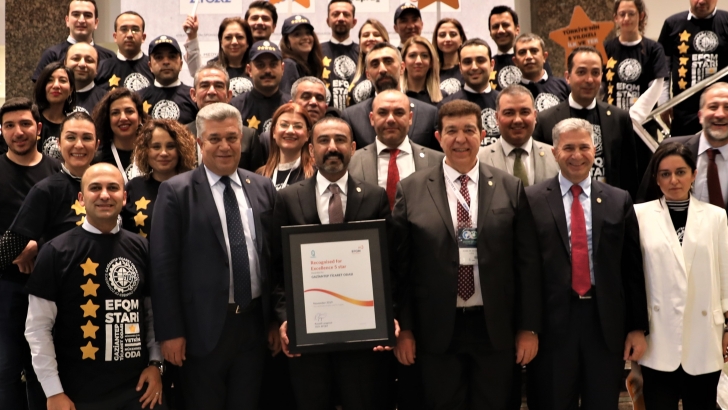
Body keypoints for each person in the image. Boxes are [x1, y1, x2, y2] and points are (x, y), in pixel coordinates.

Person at [391, 99, 541, 409]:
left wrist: (528, 327)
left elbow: (526, 265)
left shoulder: (509, 187)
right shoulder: (412, 189)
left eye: (469, 130)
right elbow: (400, 268)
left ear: (482, 135)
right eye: (451, 131)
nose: (460, 139)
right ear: (438, 137)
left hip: (494, 327)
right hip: (435, 329)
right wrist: (404, 329)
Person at [150, 103, 277, 409]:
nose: (224, 146)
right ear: (200, 142)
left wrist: (275, 319)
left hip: (254, 327)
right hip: (201, 331)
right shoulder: (176, 191)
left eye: (232, 138)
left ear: (241, 139)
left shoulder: (262, 187)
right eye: (215, 138)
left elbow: (274, 259)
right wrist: (170, 332)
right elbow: (163, 268)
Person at [525, 118, 648, 410]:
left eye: (583, 147)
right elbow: (526, 269)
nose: (577, 155)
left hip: (604, 325)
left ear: (595, 150)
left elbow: (632, 269)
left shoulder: (619, 200)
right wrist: (527, 327)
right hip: (552, 326)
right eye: (568, 148)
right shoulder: (531, 199)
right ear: (554, 152)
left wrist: (637, 328)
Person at [275, 116, 393, 410]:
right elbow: (276, 268)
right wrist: (286, 318)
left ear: (352, 148)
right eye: (323, 140)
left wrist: (387, 316)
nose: (332, 147)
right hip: (307, 337)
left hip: (362, 338)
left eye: (340, 140)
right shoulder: (288, 199)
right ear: (311, 150)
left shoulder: (375, 197)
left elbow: (388, 264)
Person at [25, 163, 164, 410]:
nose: (104, 195)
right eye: (95, 188)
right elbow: (38, 328)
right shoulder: (55, 251)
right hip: (77, 394)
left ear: (124, 197)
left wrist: (156, 364)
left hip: (138, 390)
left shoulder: (141, 248)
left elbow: (152, 314)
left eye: (113, 188)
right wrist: (53, 391)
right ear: (81, 199)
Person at [634, 142, 728, 409]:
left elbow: (725, 275)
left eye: (680, 172)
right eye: (665, 174)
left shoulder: (716, 217)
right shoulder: (640, 215)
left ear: (694, 174)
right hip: (658, 337)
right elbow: (634, 278)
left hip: (704, 336)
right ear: (656, 178)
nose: (673, 180)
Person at [0, 98, 61, 410]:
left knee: (44, 372)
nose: (18, 132)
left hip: (49, 287)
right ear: (1, 131)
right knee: (6, 370)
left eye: (25, 124)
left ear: (38, 128)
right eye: (9, 125)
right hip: (6, 285)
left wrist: (36, 245)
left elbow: (70, 223)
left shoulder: (56, 171)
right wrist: (12, 253)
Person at [532, 46, 641, 199]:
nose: (589, 80)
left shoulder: (619, 118)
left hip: (609, 205)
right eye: (581, 72)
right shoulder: (546, 120)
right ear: (567, 77)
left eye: (595, 73)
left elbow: (630, 175)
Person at [638, 82, 728, 211]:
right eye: (713, 107)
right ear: (700, 116)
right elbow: (645, 203)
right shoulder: (669, 149)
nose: (720, 114)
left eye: (727, 107)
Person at [348, 89, 444, 209]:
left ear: (410, 118)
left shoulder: (438, 162)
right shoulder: (351, 162)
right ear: (372, 119)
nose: (391, 119)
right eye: (383, 113)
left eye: (399, 113)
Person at [342, 42, 439, 151]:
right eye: (375, 64)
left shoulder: (429, 114)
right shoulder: (352, 117)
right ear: (368, 74)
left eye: (388, 62)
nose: (382, 69)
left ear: (402, 67)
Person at [658, 0, 728, 136]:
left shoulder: (726, 21)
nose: (701, 1)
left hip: (721, 111)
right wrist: (663, 102)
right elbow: (663, 67)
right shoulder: (672, 24)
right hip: (683, 111)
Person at [121, 119, 196, 237]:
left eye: (170, 146)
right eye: (156, 147)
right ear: (145, 151)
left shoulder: (194, 187)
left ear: (181, 149)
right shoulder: (133, 188)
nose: (164, 153)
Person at [187, 62, 264, 172]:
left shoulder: (249, 136)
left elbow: (254, 177)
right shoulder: (181, 134)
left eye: (218, 86)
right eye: (204, 85)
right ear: (193, 94)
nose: (212, 91)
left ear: (229, 95)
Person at [478, 84, 558, 186]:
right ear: (497, 118)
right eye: (509, 113)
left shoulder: (556, 157)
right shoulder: (479, 160)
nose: (517, 120)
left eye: (524, 112)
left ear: (535, 116)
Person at [604, 0, 667, 123]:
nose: (626, 18)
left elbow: (657, 86)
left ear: (641, 16)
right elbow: (600, 85)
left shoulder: (654, 49)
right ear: (616, 18)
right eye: (622, 14)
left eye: (631, 14)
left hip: (643, 122)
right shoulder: (607, 48)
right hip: (612, 121)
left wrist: (635, 117)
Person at [32, 0, 114, 82]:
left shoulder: (109, 57)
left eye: (87, 15)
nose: (81, 20)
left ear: (96, 23)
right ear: (67, 20)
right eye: (76, 14)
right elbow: (40, 87)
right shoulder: (52, 55)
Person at [439, 38, 501, 147]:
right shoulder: (446, 106)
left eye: (480, 60)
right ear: (460, 67)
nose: (474, 67)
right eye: (467, 62)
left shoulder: (505, 103)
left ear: (492, 64)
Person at [230, 41, 291, 136]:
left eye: (273, 65)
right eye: (260, 65)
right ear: (249, 70)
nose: (267, 70)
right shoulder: (235, 108)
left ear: (282, 69)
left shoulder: (292, 105)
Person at [183, 17, 255, 97]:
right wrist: (192, 36)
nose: (234, 42)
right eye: (228, 37)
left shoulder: (257, 67)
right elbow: (196, 70)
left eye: (239, 37)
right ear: (221, 42)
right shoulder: (212, 68)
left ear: (247, 42)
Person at [488, 5, 553, 91]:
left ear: (517, 29)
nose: (500, 30)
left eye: (505, 25)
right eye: (495, 26)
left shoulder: (536, 60)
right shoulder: (488, 65)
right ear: (490, 32)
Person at [138, 35, 197, 125]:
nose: (166, 62)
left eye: (172, 56)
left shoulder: (194, 96)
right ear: (150, 66)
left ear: (181, 64)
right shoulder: (138, 98)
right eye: (159, 57)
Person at [93, 87, 149, 183]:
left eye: (129, 111)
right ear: (108, 119)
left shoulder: (151, 154)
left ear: (139, 117)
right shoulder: (98, 159)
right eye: (115, 113)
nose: (123, 118)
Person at [256, 102, 316, 190]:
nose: (290, 131)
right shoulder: (260, 175)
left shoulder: (316, 173)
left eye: (298, 126)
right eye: (284, 125)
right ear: (274, 132)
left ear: (308, 134)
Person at [96, 11, 154, 92]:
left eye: (135, 29)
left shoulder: (154, 67)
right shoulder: (100, 68)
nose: (129, 35)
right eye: (124, 29)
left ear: (143, 37)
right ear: (115, 37)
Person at [513, 33, 569, 112]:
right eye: (522, 52)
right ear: (515, 61)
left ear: (544, 57)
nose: (528, 56)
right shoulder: (510, 94)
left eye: (534, 51)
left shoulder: (565, 86)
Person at [33, 61, 77, 160]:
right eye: (50, 80)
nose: (56, 85)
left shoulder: (75, 123)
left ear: (71, 89)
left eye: (62, 80)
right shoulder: (31, 120)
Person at [322, 0, 360, 111]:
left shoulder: (363, 53)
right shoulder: (316, 51)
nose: (341, 18)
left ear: (354, 22)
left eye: (346, 14)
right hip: (324, 117)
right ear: (328, 21)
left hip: (357, 116)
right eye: (335, 14)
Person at [348, 19, 390, 107]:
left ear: (385, 40)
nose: (371, 38)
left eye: (376, 35)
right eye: (366, 35)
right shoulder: (355, 72)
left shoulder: (391, 69)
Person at [279, 15, 324, 96]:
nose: (305, 37)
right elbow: (288, 100)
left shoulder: (312, 66)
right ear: (287, 42)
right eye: (297, 34)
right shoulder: (289, 65)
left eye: (308, 33)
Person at [65, 42, 107, 116]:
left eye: (89, 60)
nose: (82, 64)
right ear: (65, 63)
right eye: (76, 58)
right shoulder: (53, 96)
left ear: (97, 68)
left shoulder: (107, 100)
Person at [401, 36, 445, 106]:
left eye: (424, 56)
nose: (418, 61)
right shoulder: (393, 96)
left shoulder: (444, 98)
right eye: (412, 55)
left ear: (431, 63)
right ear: (403, 62)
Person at [433, 18, 466, 96]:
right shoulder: (431, 71)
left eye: (453, 34)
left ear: (461, 38)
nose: (447, 39)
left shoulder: (468, 67)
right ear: (436, 40)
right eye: (442, 35)